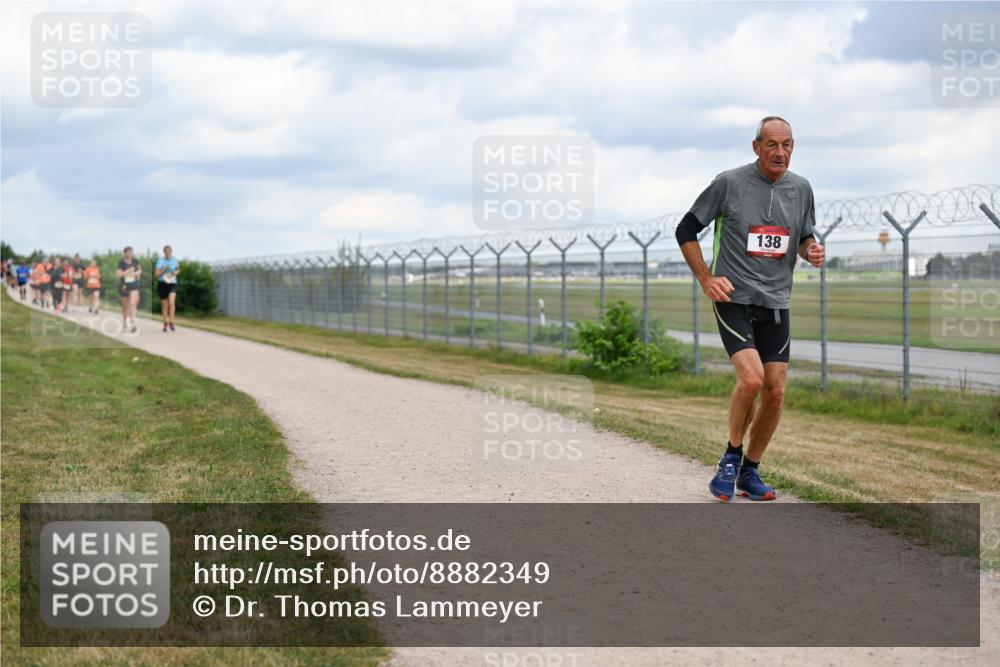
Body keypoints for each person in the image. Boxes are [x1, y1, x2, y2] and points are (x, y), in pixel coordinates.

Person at [675, 116, 825, 502]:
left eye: (787, 145)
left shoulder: (802, 189)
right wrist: (707, 278)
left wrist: (811, 250)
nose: (780, 152)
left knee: (775, 391)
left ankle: (750, 471)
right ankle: (730, 458)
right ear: (756, 146)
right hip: (734, 299)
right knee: (753, 379)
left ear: (794, 147)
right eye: (772, 145)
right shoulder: (729, 183)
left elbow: (805, 234)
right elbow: (686, 230)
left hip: (776, 301)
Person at [154, 245, 181, 332]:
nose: (168, 253)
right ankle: (165, 323)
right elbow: (157, 274)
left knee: (172, 302)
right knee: (165, 305)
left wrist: (175, 272)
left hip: (172, 283)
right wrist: (164, 269)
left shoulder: (175, 260)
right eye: (166, 251)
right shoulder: (160, 260)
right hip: (162, 283)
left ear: (171, 252)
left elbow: (178, 270)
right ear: (164, 252)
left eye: (169, 251)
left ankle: (172, 322)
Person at [117, 246, 142, 333]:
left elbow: (139, 271)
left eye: (131, 252)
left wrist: (136, 273)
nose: (130, 254)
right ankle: (125, 322)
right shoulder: (121, 263)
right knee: (125, 306)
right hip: (124, 286)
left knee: (132, 303)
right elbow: (119, 275)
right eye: (128, 252)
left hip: (134, 285)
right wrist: (128, 271)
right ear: (125, 253)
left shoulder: (135, 261)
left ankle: (133, 323)